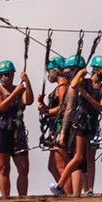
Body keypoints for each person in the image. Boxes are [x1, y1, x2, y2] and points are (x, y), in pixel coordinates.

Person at [59, 54, 102, 195]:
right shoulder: (84, 82)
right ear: (96, 69)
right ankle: (66, 185)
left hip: (92, 124)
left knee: (90, 158)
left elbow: (100, 107)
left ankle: (89, 188)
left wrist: (86, 96)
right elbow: (74, 85)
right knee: (79, 156)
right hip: (81, 123)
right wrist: (81, 73)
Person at [0, 59, 33, 196]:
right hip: (0, 132)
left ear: (12, 75)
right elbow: (0, 106)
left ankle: (22, 197)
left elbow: (29, 101)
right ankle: (5, 198)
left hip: (17, 133)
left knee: (24, 168)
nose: (3, 77)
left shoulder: (20, 90)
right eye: (0, 75)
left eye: (6, 74)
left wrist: (27, 82)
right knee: (4, 167)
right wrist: (15, 93)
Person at [38, 56, 68, 193]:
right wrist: (44, 107)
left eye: (50, 71)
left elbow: (63, 107)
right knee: (52, 166)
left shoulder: (62, 86)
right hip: (56, 128)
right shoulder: (59, 87)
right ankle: (65, 192)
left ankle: (69, 194)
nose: (49, 74)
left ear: (56, 71)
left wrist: (48, 111)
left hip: (61, 127)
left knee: (60, 166)